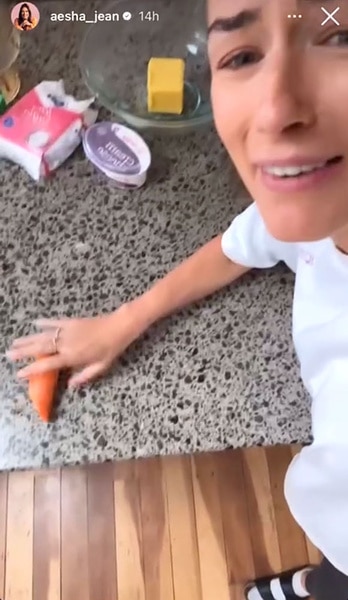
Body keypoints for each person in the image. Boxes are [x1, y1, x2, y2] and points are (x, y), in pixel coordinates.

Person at [6, 0, 348, 598]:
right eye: (241, 55)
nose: (274, 111)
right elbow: (244, 243)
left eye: (342, 40)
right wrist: (123, 321)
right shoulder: (318, 207)